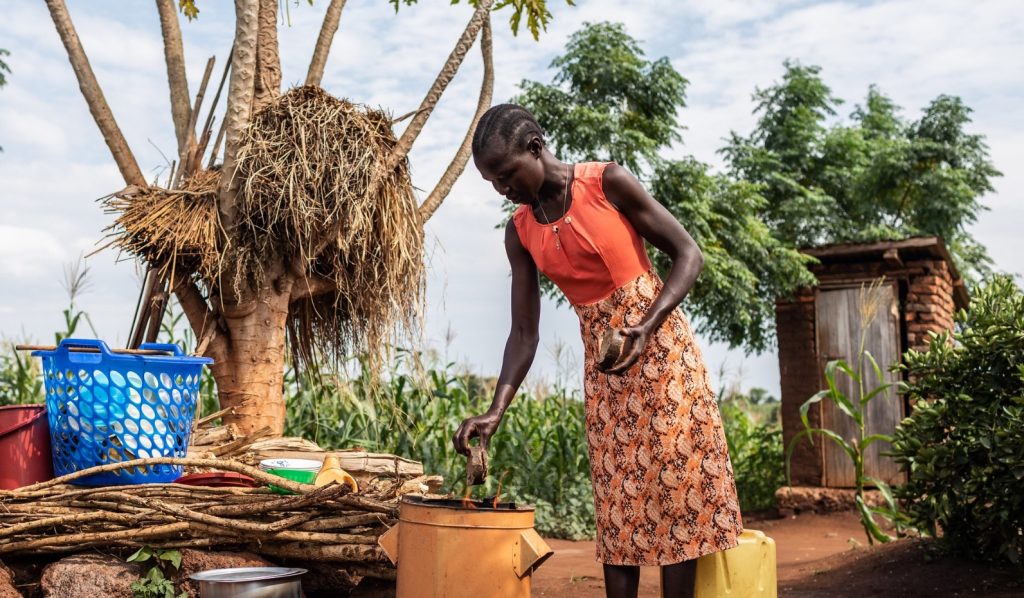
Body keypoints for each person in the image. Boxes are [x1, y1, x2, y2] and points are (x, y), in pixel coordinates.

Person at [453, 104, 743, 598]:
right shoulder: (519, 232)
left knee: (679, 496)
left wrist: (647, 325)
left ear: (535, 148)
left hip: (664, 355)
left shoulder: (607, 182)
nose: (503, 189)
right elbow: (524, 331)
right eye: (492, 182)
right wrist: (495, 410)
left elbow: (688, 254)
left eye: (506, 175)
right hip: (606, 372)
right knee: (619, 510)